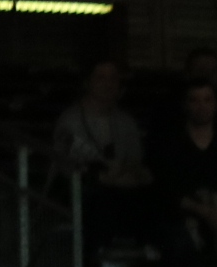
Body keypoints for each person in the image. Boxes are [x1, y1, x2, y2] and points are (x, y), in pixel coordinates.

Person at [144, 76, 217, 267]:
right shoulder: (169, 142)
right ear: (185, 105)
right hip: (181, 216)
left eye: (207, 99)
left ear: (216, 104)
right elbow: (164, 187)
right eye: (194, 100)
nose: (201, 106)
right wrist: (204, 211)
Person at [51, 59, 154, 240]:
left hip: (121, 186)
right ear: (87, 82)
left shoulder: (126, 122)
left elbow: (134, 161)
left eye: (113, 79)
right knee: (101, 201)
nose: (108, 84)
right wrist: (103, 179)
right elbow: (66, 167)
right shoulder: (69, 121)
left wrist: (126, 175)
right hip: (81, 189)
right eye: (100, 78)